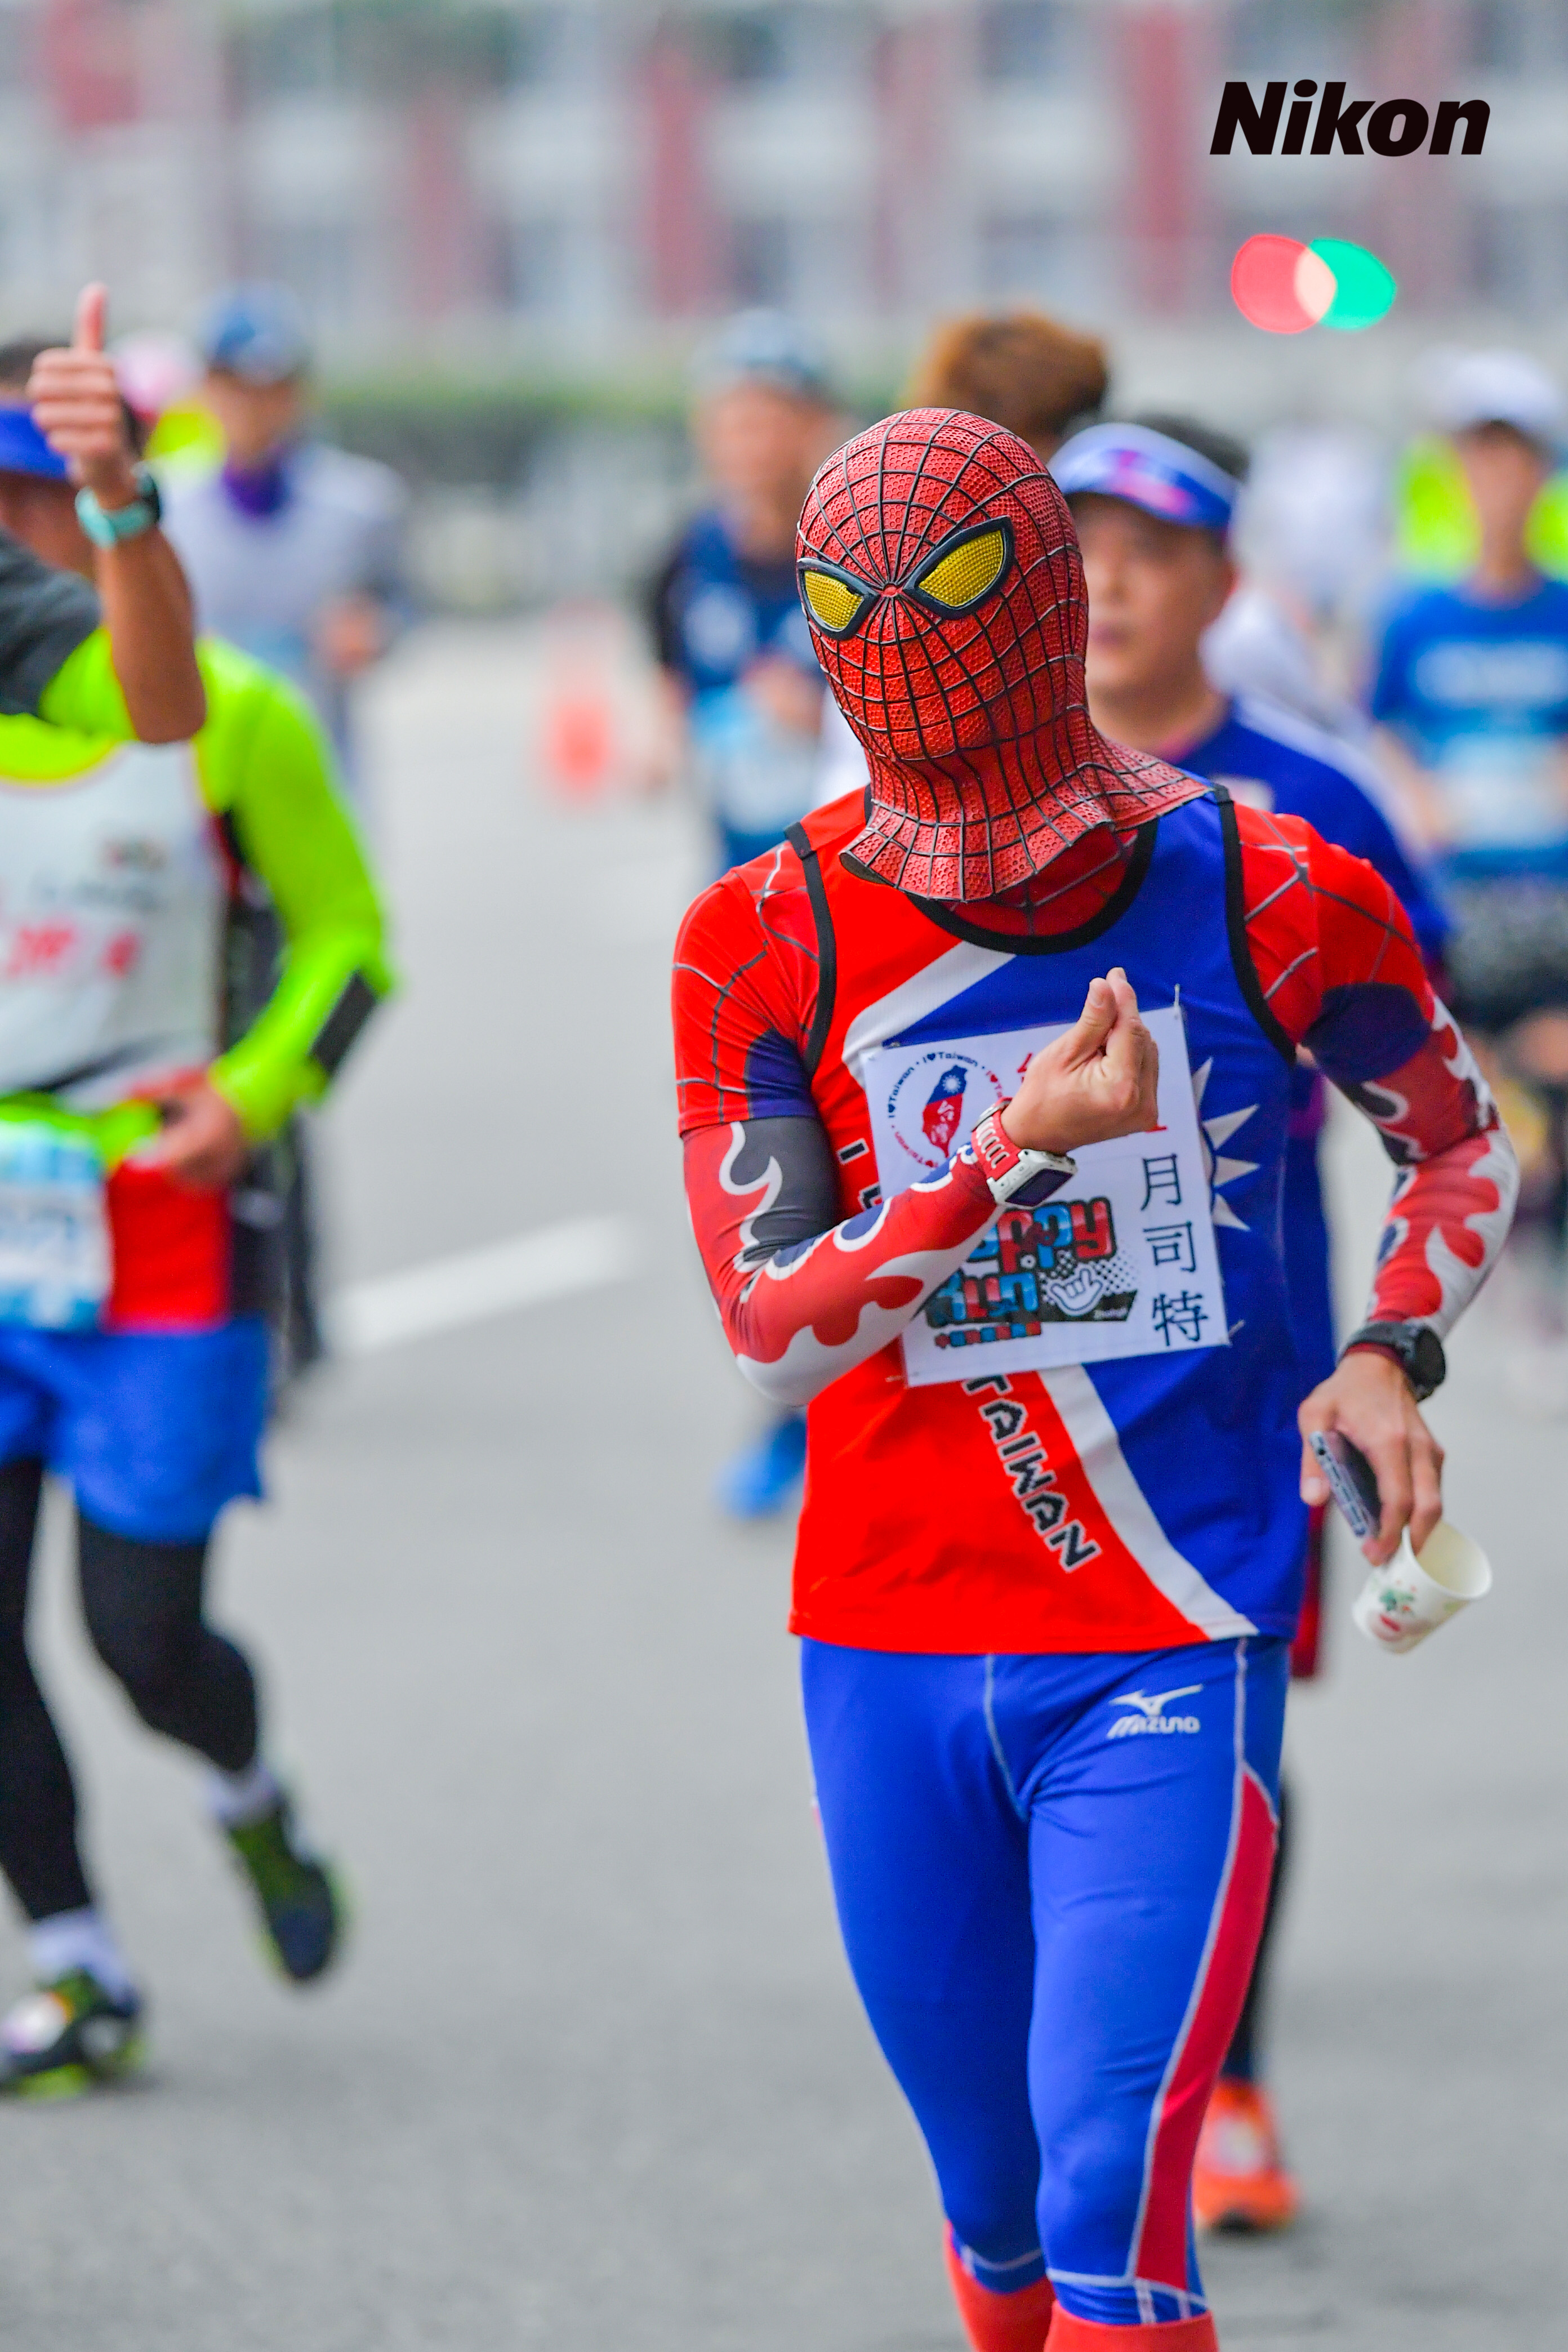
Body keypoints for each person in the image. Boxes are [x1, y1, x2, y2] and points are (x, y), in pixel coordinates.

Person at [672, 408, 1514, 2350]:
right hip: (885, 1632)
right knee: (995, 2228)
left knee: (1106, 2203)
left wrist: (1385, 1349)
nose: (905, 647)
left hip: (1171, 1608)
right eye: (855, 609)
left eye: (952, 596)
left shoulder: (1269, 876)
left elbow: (1460, 1139)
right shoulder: (763, 932)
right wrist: (1006, 1156)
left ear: (1048, 611)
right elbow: (774, 1325)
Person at [1050, 415, 1449, 2233]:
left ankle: (1230, 2084)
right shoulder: (972, 801)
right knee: (1015, 1708)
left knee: (1216, 1718)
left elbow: (1418, 1057)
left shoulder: (1309, 797)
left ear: (1224, 580)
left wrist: (1387, 1338)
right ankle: (1066, 2096)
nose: (1109, 585)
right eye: (1078, 549)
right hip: (1012, 1341)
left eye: (1150, 550)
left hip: (1245, 1334)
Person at [0, 299, 392, 2095]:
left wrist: (253, 1097)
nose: (26, 528)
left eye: (55, 492)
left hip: (162, 1229)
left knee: (142, 1640)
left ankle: (248, 1791)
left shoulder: (222, 710)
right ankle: (77, 1960)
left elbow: (348, 943)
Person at [651, 310, 843, 1517]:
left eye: (770, 414)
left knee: (857, 1163)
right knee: (757, 1179)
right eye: (730, 416)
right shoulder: (688, 559)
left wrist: (815, 716)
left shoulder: (853, 549)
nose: (748, 438)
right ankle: (782, 1412)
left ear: (813, 426)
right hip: (739, 922)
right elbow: (673, 685)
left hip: (854, 910)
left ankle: (844, 1415)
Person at [1369, 353, 1568, 1318]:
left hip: (1551, 893)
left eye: (1513, 458)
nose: (1496, 481)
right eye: (1478, 458)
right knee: (1469, 1104)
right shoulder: (1413, 616)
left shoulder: (1561, 610)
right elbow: (1379, 730)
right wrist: (1417, 800)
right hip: (1455, 897)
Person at [161, 283, 409, 782]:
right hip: (195, 774)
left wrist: (376, 630)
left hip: (317, 764)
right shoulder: (163, 505)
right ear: (206, 390)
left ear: (300, 393)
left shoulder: (361, 503)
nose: (254, 406)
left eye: (272, 387)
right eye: (236, 386)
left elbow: (405, 604)